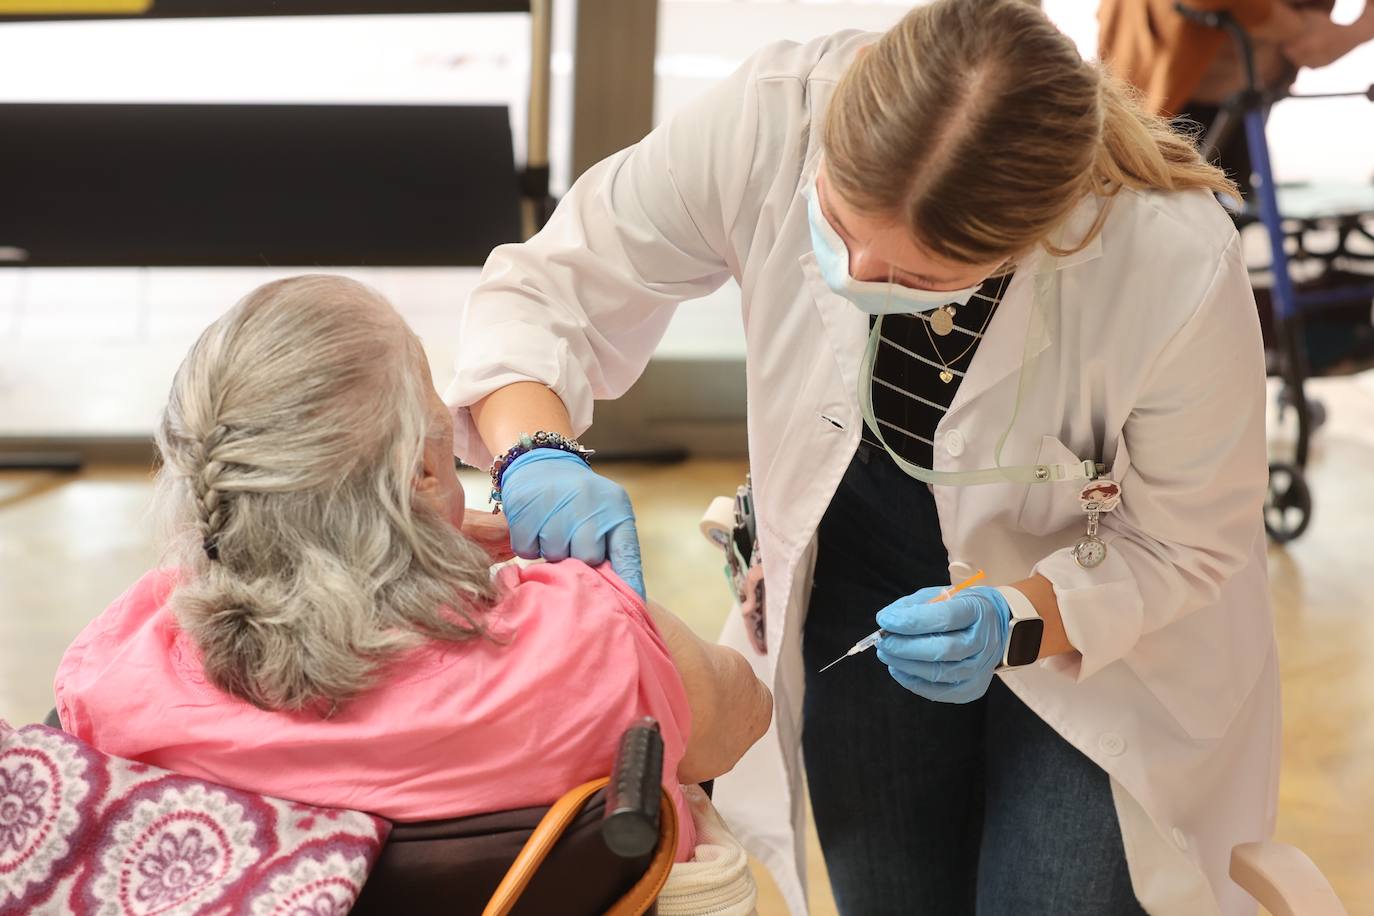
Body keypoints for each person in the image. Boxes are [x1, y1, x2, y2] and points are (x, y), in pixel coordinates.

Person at [446, 1, 1280, 914]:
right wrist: (532, 451)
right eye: (836, 228)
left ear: (1029, 241)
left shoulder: (1164, 258)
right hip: (858, 570)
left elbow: (1187, 539)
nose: (856, 273)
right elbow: (553, 284)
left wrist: (1022, 617)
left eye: (916, 281)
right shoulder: (776, 118)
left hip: (1111, 629)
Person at [53, 275, 772, 907]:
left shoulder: (123, 672)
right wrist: (596, 589)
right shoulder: (585, 645)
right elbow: (741, 716)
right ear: (424, 476)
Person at [1099, 0, 1374, 196]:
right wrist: (1297, 28)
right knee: (1151, 208)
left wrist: (1355, 31)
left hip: (1254, 82)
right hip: (1163, 74)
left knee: (1221, 207)